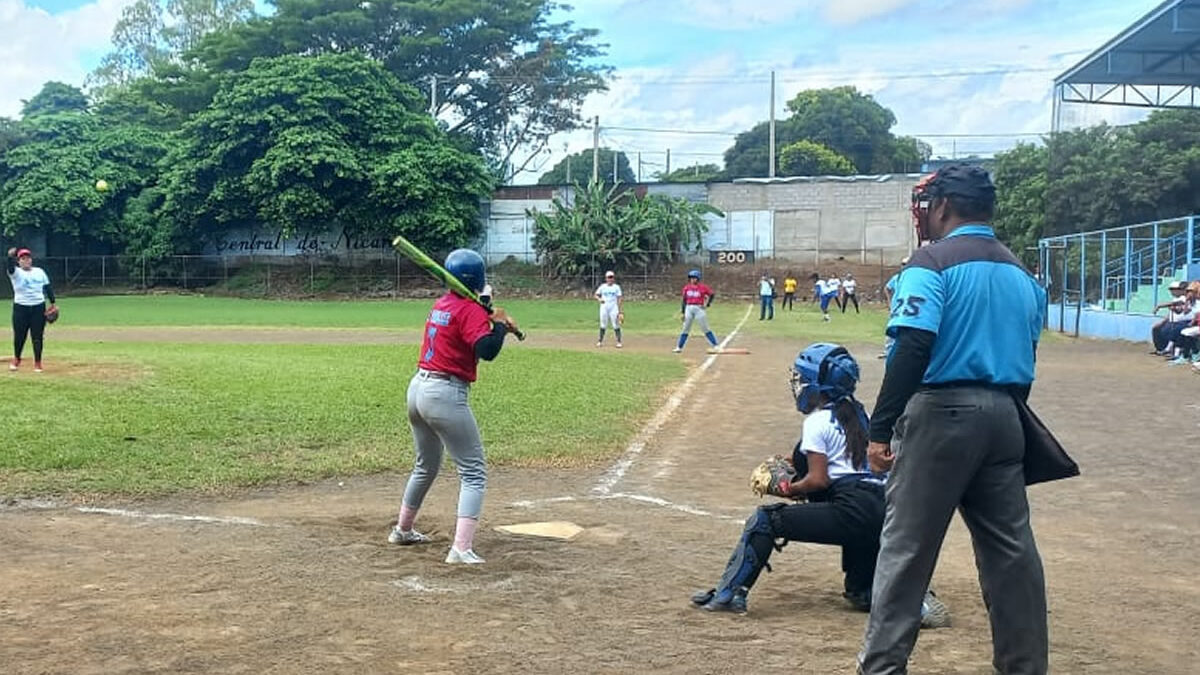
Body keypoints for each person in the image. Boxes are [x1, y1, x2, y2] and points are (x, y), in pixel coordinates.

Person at [859, 165, 1048, 674]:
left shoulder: (930, 262)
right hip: (1007, 416)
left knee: (905, 552)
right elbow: (1026, 359)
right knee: (1011, 556)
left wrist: (880, 429)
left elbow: (914, 343)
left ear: (942, 207)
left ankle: (881, 668)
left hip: (940, 414)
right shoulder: (1023, 276)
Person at [689, 343, 950, 629]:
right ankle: (911, 599)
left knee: (766, 520)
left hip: (854, 508)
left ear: (818, 386)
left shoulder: (817, 421)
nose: (798, 385)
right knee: (861, 593)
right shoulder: (860, 415)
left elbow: (819, 480)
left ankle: (728, 595)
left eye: (802, 380)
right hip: (885, 508)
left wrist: (788, 488)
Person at [389, 248, 520, 565]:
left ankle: (402, 530)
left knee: (426, 465)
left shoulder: (443, 303)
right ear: (479, 279)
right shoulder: (470, 310)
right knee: (474, 472)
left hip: (418, 388)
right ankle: (461, 549)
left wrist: (488, 311)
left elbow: (468, 320)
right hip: (444, 394)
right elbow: (486, 350)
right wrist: (500, 326)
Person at [7, 247, 56, 373]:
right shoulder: (15, 272)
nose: (26, 260)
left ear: (31, 260)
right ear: (19, 261)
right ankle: (17, 359)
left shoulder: (39, 272)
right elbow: (10, 267)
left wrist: (53, 303)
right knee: (19, 336)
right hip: (20, 309)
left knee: (37, 336)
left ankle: (38, 363)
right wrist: (10, 257)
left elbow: (47, 287)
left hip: (38, 308)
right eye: (23, 258)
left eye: (28, 258)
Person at [675, 269, 719, 353]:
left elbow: (711, 294)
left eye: (694, 278)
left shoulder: (703, 287)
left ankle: (715, 345)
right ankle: (679, 347)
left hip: (699, 308)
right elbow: (684, 300)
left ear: (698, 279)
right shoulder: (686, 288)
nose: (692, 280)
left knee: (705, 328)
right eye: (691, 278)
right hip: (688, 308)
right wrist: (683, 312)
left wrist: (707, 304)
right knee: (685, 328)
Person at [879, 258, 909, 359]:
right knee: (892, 327)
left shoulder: (913, 278)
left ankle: (903, 351)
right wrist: (889, 302)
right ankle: (888, 351)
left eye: (906, 264)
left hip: (907, 308)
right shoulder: (896, 278)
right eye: (903, 264)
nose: (904, 266)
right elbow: (887, 288)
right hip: (896, 307)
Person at [1150, 281, 1189, 356]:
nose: (1173, 291)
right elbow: (1171, 313)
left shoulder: (1185, 298)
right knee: (1156, 329)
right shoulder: (1176, 299)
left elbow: (1177, 305)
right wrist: (1162, 322)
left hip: (1181, 322)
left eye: (1175, 289)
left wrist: (1160, 306)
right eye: (1171, 289)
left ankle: (1169, 350)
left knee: (1173, 330)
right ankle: (1161, 349)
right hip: (1172, 322)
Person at [595, 270, 624, 348]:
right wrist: (600, 299)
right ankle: (600, 341)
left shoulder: (616, 287)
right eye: (609, 277)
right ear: (606, 278)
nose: (610, 279)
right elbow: (596, 295)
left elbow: (620, 298)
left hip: (613, 307)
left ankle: (619, 342)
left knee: (616, 324)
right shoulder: (602, 287)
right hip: (604, 307)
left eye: (612, 277)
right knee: (603, 324)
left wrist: (620, 311)